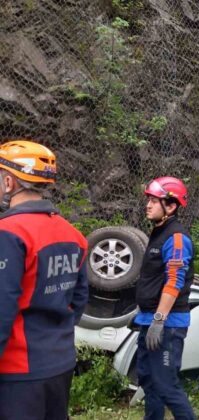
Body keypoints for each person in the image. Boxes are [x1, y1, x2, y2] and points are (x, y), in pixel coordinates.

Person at [0, 139, 88, 419]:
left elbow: (2, 307)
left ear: (9, 183)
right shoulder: (74, 235)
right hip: (59, 362)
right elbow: (79, 300)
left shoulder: (9, 233)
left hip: (17, 370)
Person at [134, 176, 196, 420]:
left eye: (153, 200)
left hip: (167, 325)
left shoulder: (177, 238)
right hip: (149, 320)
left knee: (167, 387)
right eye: (148, 200)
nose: (147, 205)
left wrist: (159, 320)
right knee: (149, 382)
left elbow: (174, 281)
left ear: (170, 206)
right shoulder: (159, 232)